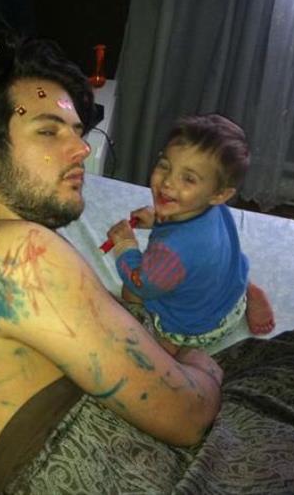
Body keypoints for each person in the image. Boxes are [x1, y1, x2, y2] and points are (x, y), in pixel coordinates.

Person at [0, 34, 224, 495]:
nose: (82, 149)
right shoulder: (14, 254)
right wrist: (205, 366)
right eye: (49, 131)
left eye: (77, 131)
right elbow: (189, 418)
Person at [105, 114, 275, 355]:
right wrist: (158, 220)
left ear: (219, 194)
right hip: (231, 296)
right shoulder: (212, 207)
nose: (167, 183)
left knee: (130, 293)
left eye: (188, 179)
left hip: (197, 328)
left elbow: (141, 283)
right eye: (165, 166)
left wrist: (125, 245)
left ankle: (171, 347)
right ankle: (248, 288)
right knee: (217, 262)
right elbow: (192, 236)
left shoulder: (171, 253)